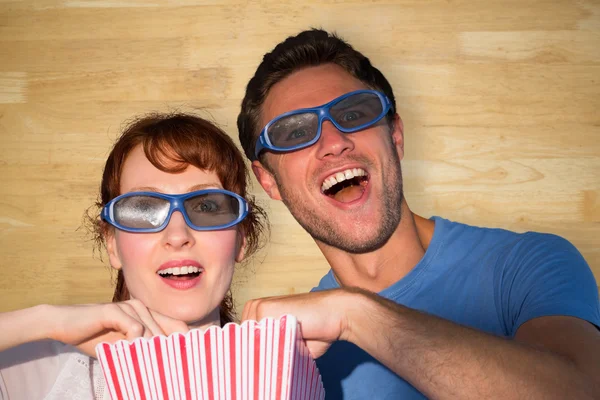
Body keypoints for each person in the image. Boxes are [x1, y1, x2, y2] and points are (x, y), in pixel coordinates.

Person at [237, 29, 600, 399]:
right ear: (269, 182)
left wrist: (355, 315)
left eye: (353, 113)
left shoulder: (527, 265)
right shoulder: (293, 362)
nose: (334, 142)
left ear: (395, 136)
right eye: (294, 133)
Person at [0, 113, 267, 399]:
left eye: (206, 207)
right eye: (143, 210)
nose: (177, 235)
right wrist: (45, 320)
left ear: (241, 238)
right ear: (112, 243)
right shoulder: (31, 370)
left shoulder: (283, 374)